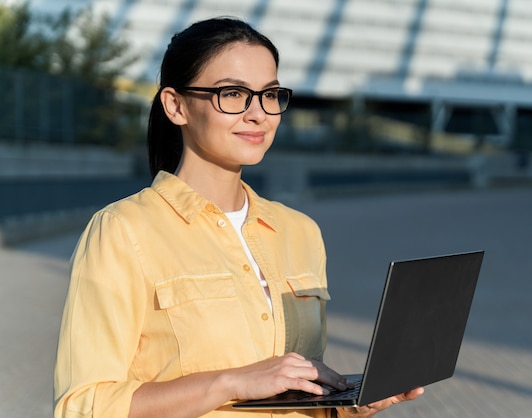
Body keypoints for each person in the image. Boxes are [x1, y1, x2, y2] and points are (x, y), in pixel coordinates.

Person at [53, 17, 423, 418]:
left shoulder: (300, 232)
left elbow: (294, 397)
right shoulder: (123, 231)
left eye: (269, 94)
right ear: (175, 106)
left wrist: (349, 403)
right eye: (232, 93)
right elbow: (82, 406)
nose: (258, 114)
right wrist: (232, 382)